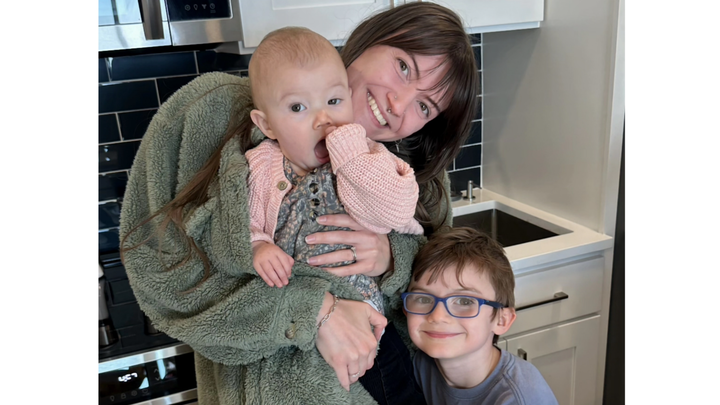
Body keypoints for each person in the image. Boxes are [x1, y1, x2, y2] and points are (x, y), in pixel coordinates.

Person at [119, 2, 479, 404]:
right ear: (372, 40)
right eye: (404, 67)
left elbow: (447, 299)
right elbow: (160, 274)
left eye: (425, 106)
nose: (398, 104)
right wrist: (311, 311)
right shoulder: (213, 110)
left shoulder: (416, 177)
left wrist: (393, 257)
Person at [245, 28, 423, 317]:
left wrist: (350, 153)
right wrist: (258, 246)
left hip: (364, 307)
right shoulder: (262, 165)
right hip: (298, 308)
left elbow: (398, 210)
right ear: (266, 125)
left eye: (334, 101)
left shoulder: (369, 154)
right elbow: (242, 224)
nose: (323, 118)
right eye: (298, 107)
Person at [401, 227, 558, 405]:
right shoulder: (419, 363)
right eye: (423, 298)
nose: (437, 316)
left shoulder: (519, 399)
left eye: (464, 301)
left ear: (502, 320)